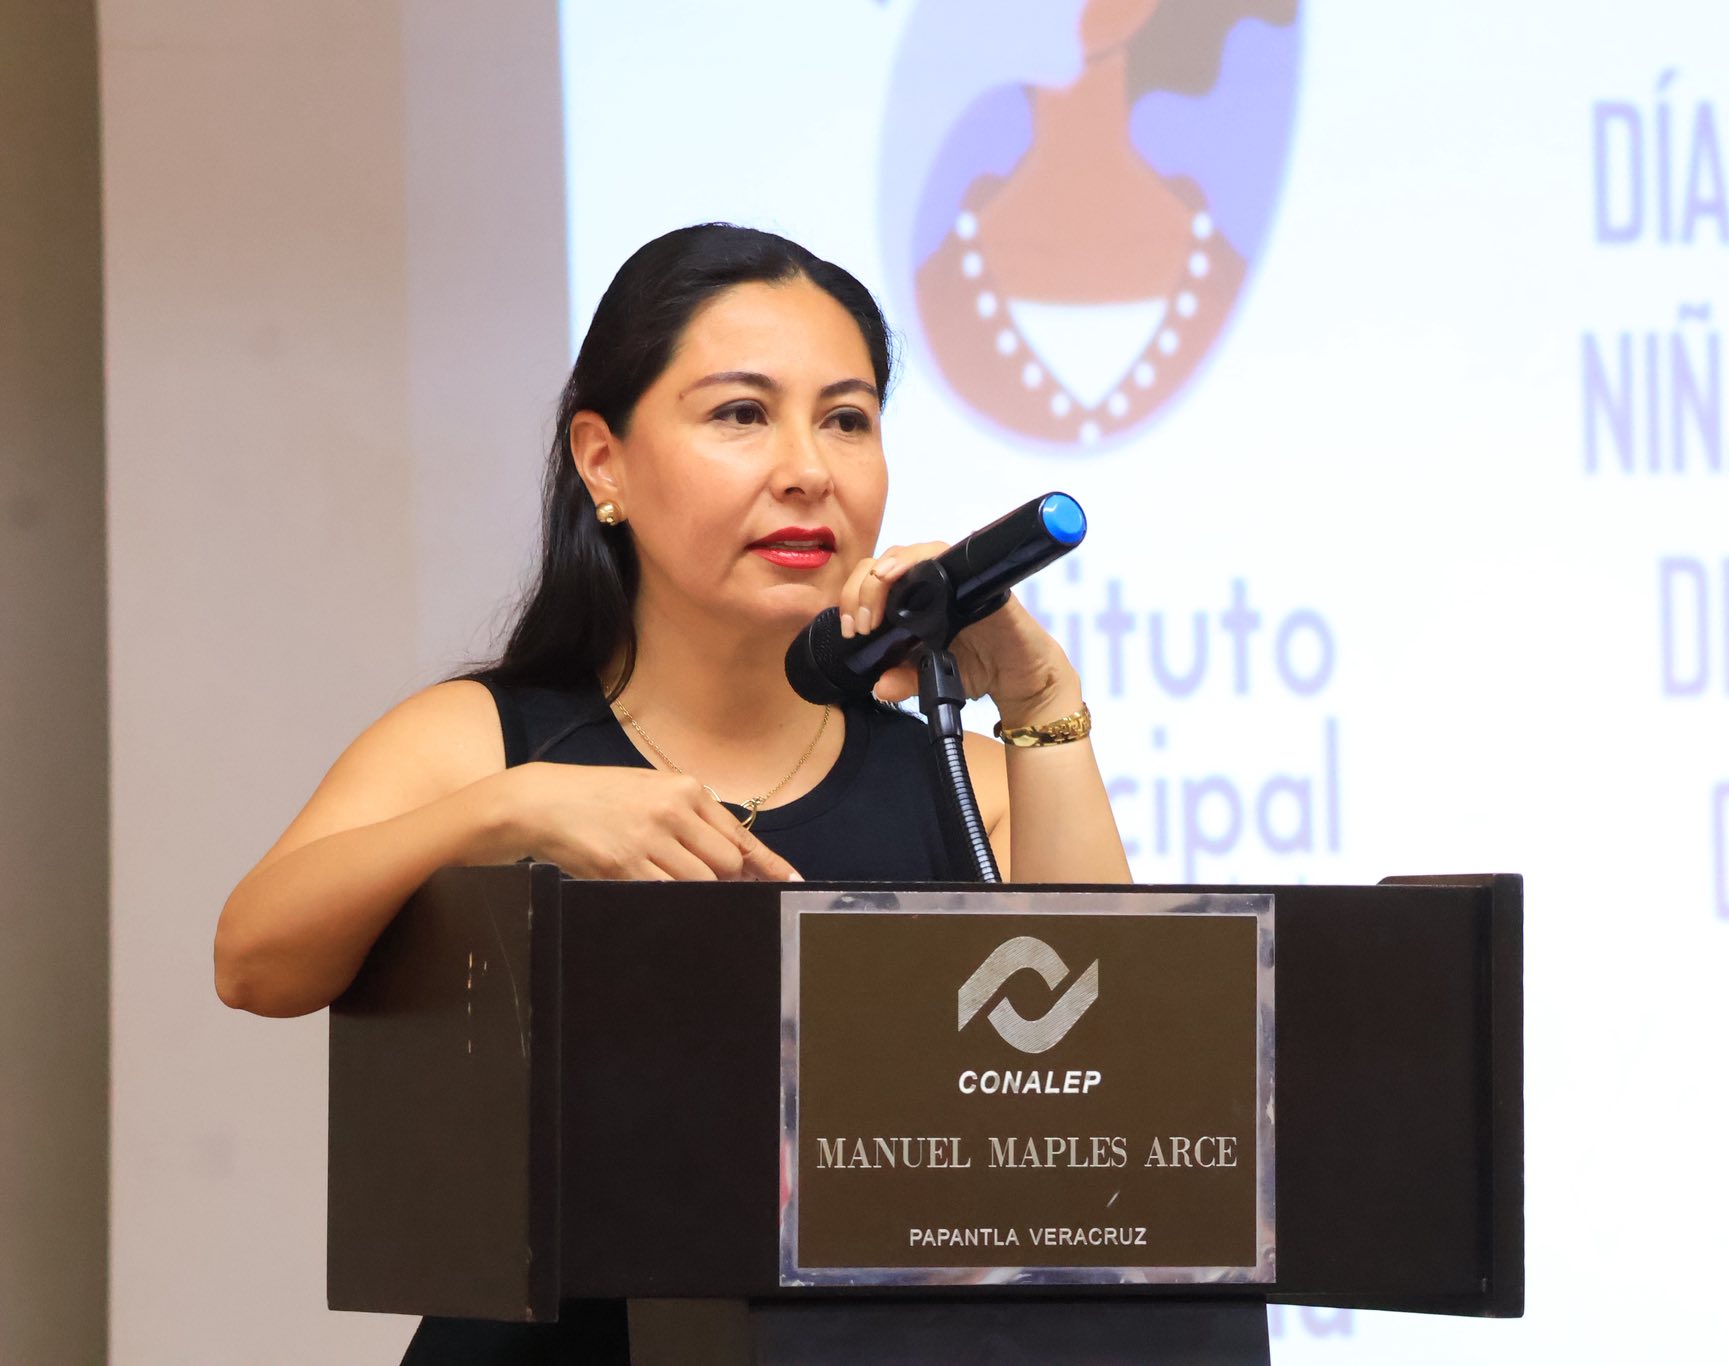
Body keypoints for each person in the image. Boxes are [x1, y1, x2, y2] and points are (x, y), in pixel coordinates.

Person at [213, 223, 1131, 1363]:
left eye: (846, 419)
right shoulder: (486, 743)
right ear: (602, 461)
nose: (807, 469)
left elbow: (1123, 1091)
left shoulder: (963, 780)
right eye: (741, 413)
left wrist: (1038, 700)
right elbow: (255, 965)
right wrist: (506, 810)